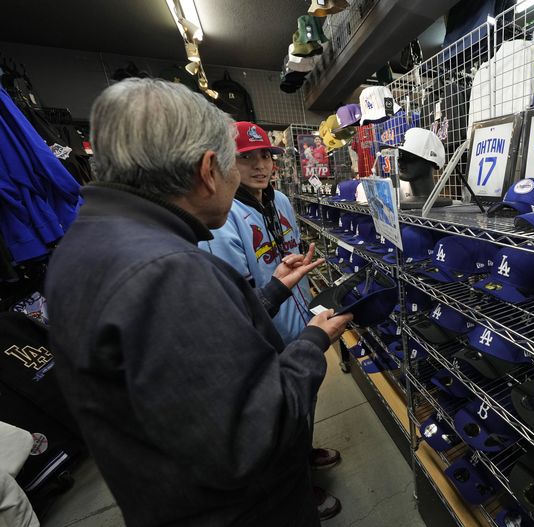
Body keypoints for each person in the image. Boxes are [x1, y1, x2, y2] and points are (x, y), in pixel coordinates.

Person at [44, 78, 352, 527]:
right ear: (209, 169)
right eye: (235, 162)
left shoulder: (94, 239)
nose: (250, 171)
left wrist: (272, 291)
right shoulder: (166, 271)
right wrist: (311, 343)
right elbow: (257, 433)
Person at [199, 121, 343, 519]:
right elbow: (241, 296)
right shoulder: (224, 216)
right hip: (264, 333)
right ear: (226, 163)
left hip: (299, 320)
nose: (261, 165)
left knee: (305, 398)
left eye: (265, 155)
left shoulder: (279, 199)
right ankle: (297, 487)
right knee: (277, 418)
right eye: (247, 158)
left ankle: (304, 453)